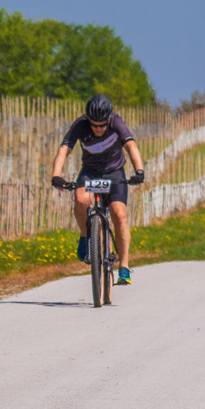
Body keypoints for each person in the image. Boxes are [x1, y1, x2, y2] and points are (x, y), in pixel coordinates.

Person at [51, 93, 146, 285]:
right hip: (91, 171)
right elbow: (64, 149)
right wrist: (56, 175)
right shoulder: (81, 125)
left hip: (114, 172)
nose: (98, 129)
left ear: (108, 120)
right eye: (94, 125)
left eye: (102, 125)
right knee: (79, 199)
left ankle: (124, 267)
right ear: (88, 120)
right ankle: (86, 237)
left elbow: (131, 145)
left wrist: (139, 170)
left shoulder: (116, 122)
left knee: (119, 215)